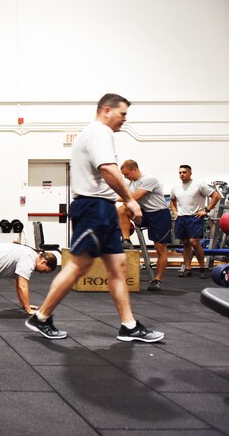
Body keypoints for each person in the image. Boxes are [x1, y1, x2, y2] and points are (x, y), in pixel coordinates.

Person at [25, 93, 165, 342]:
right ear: (107, 110)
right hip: (93, 208)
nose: (124, 120)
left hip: (103, 207)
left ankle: (129, 326)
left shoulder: (93, 133)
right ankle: (42, 316)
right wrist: (130, 200)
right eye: (122, 114)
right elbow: (108, 168)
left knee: (117, 267)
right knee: (79, 266)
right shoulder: (100, 132)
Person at [117, 160, 171, 291]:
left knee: (160, 248)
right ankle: (126, 240)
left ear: (135, 169)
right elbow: (124, 197)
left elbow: (135, 197)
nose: (125, 177)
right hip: (143, 213)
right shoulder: (130, 183)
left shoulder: (149, 179)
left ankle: (157, 280)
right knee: (122, 209)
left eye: (127, 174)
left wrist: (115, 198)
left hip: (159, 215)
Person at [170, 165, 221, 279]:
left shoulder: (199, 185)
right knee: (186, 243)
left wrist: (206, 210)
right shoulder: (176, 187)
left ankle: (202, 268)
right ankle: (188, 268)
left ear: (190, 173)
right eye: (180, 173)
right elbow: (172, 200)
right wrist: (175, 212)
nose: (182, 174)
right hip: (181, 218)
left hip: (195, 217)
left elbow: (216, 196)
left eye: (184, 172)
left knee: (194, 242)